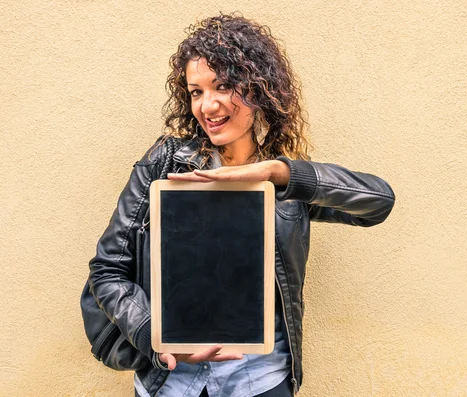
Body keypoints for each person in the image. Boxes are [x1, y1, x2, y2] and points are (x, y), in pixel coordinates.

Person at [87, 13, 395, 397]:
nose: (208, 105)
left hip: (260, 380)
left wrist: (281, 174)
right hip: (171, 383)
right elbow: (107, 270)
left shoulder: (282, 183)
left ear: (258, 88)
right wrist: (156, 334)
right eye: (196, 91)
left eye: (223, 85)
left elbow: (378, 202)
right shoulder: (164, 164)